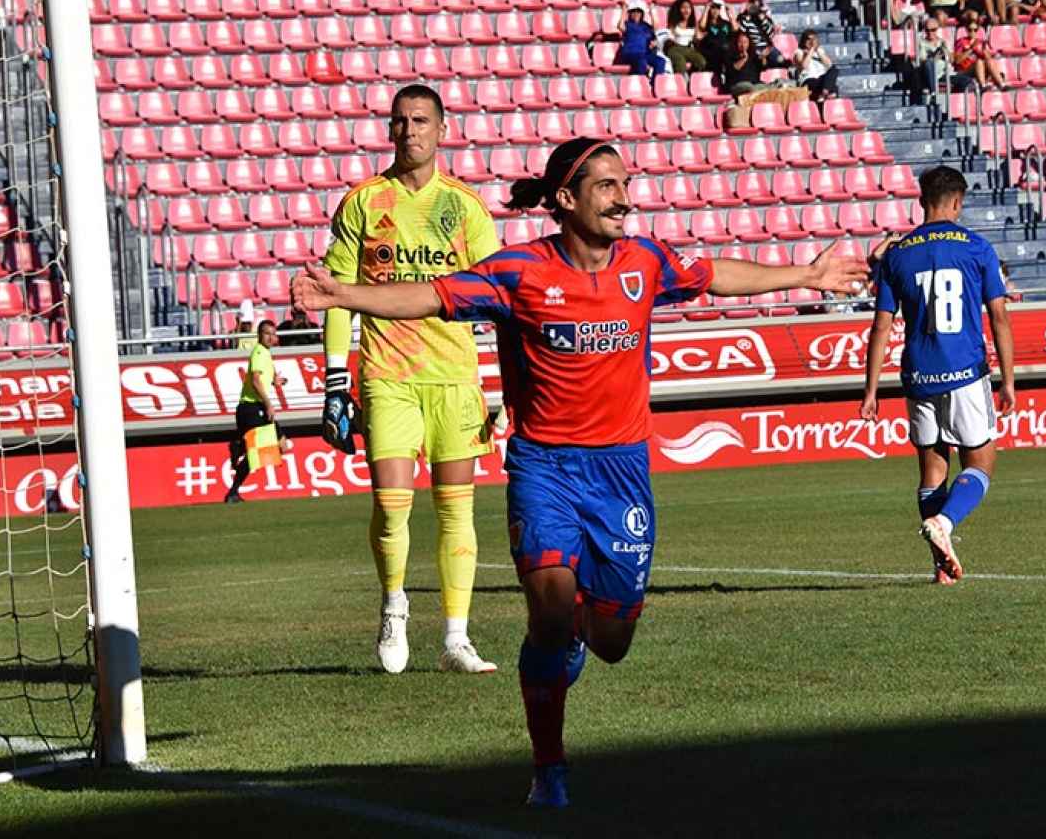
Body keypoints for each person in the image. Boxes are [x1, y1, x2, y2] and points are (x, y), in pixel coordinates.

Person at [290, 137, 868, 808]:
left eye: (624, 184)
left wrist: (803, 275)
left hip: (622, 472)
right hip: (544, 467)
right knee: (551, 607)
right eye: (605, 186)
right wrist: (346, 294)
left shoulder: (644, 261)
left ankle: (566, 652)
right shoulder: (517, 272)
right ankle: (549, 768)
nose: (622, 197)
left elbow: (711, 274)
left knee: (612, 642)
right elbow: (429, 294)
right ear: (565, 200)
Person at [321, 82, 502, 676]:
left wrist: (505, 387)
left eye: (421, 120)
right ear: (389, 130)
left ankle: (456, 637)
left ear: (443, 129)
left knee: (457, 511)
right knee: (392, 504)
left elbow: (497, 299)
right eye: (400, 121)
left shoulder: (467, 208)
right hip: (387, 372)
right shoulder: (364, 202)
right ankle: (394, 603)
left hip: (454, 376)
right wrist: (332, 380)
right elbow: (337, 297)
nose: (410, 131)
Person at [860, 165, 1016, 585]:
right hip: (965, 370)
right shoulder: (977, 247)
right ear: (958, 202)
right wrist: (1009, 379)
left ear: (921, 202)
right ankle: (945, 522)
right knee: (982, 463)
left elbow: (881, 325)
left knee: (932, 471)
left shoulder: (898, 254)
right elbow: (998, 317)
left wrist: (871, 388)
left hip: (918, 374)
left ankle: (940, 567)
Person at [223, 319, 280, 504]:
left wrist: (275, 381)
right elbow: (255, 380)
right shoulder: (258, 352)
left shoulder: (266, 354)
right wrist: (268, 403)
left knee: (268, 450)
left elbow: (261, 379)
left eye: (273, 333)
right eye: (267, 333)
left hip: (253, 408)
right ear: (259, 335)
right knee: (271, 448)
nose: (271, 337)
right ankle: (238, 445)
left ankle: (238, 446)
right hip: (252, 407)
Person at [952, 13, 1007, 89]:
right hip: (965, 70)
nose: (972, 32)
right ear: (966, 30)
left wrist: (984, 51)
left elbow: (988, 59)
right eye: (970, 30)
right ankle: (983, 86)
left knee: (988, 61)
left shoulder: (980, 41)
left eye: (975, 30)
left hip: (981, 69)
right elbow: (957, 61)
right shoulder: (961, 41)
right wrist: (971, 49)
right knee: (979, 62)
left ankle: (1002, 85)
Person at [615, 2, 666, 78]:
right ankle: (641, 83)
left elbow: (656, 28)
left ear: (642, 13)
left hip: (644, 54)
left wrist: (651, 11)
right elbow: (620, 26)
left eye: (638, 11)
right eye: (633, 11)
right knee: (641, 62)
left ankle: (655, 84)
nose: (636, 14)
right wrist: (624, 10)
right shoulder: (627, 24)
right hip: (630, 53)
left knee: (661, 61)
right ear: (630, 13)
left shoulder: (645, 26)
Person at [792, 29, 839, 102]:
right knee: (834, 88)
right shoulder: (799, 52)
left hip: (821, 78)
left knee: (834, 69)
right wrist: (811, 50)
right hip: (808, 80)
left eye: (813, 39)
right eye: (808, 39)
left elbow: (829, 65)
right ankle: (827, 93)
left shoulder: (820, 51)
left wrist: (817, 50)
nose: (811, 42)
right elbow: (804, 66)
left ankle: (824, 93)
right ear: (803, 40)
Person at [663, 0, 707, 74]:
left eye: (689, 8)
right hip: (675, 48)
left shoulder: (693, 23)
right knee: (680, 63)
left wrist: (702, 37)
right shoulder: (673, 23)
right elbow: (669, 37)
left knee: (701, 61)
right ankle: (680, 83)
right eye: (683, 8)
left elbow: (697, 37)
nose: (686, 10)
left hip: (688, 48)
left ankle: (692, 79)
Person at [738, 0, 785, 67]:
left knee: (780, 60)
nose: (755, 9)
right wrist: (746, 17)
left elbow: (770, 35)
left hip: (767, 48)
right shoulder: (743, 18)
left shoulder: (765, 19)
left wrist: (763, 20)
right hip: (753, 48)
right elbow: (741, 34)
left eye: (758, 6)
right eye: (753, 6)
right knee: (761, 62)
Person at [719, 30, 765, 95]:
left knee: (766, 86)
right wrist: (744, 59)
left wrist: (764, 57)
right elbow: (732, 69)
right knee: (747, 86)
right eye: (740, 42)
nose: (743, 45)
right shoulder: (729, 55)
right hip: (736, 85)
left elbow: (763, 66)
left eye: (745, 42)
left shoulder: (754, 56)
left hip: (754, 85)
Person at [699, 0, 737, 72]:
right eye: (713, 8)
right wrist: (706, 9)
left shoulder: (725, 23)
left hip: (726, 50)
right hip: (713, 51)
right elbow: (702, 26)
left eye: (718, 8)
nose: (715, 11)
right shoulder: (707, 23)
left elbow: (735, 28)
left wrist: (729, 13)